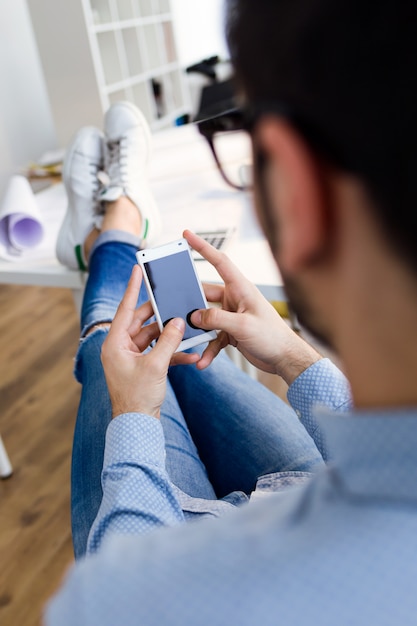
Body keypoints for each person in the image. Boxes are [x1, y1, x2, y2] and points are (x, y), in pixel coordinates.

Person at [46, 0, 417, 622]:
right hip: (318, 475)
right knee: (186, 353)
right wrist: (297, 360)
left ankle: (113, 229)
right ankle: (110, 229)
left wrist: (135, 415)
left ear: (299, 194)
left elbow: (130, 589)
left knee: (113, 353)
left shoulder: (122, 600)